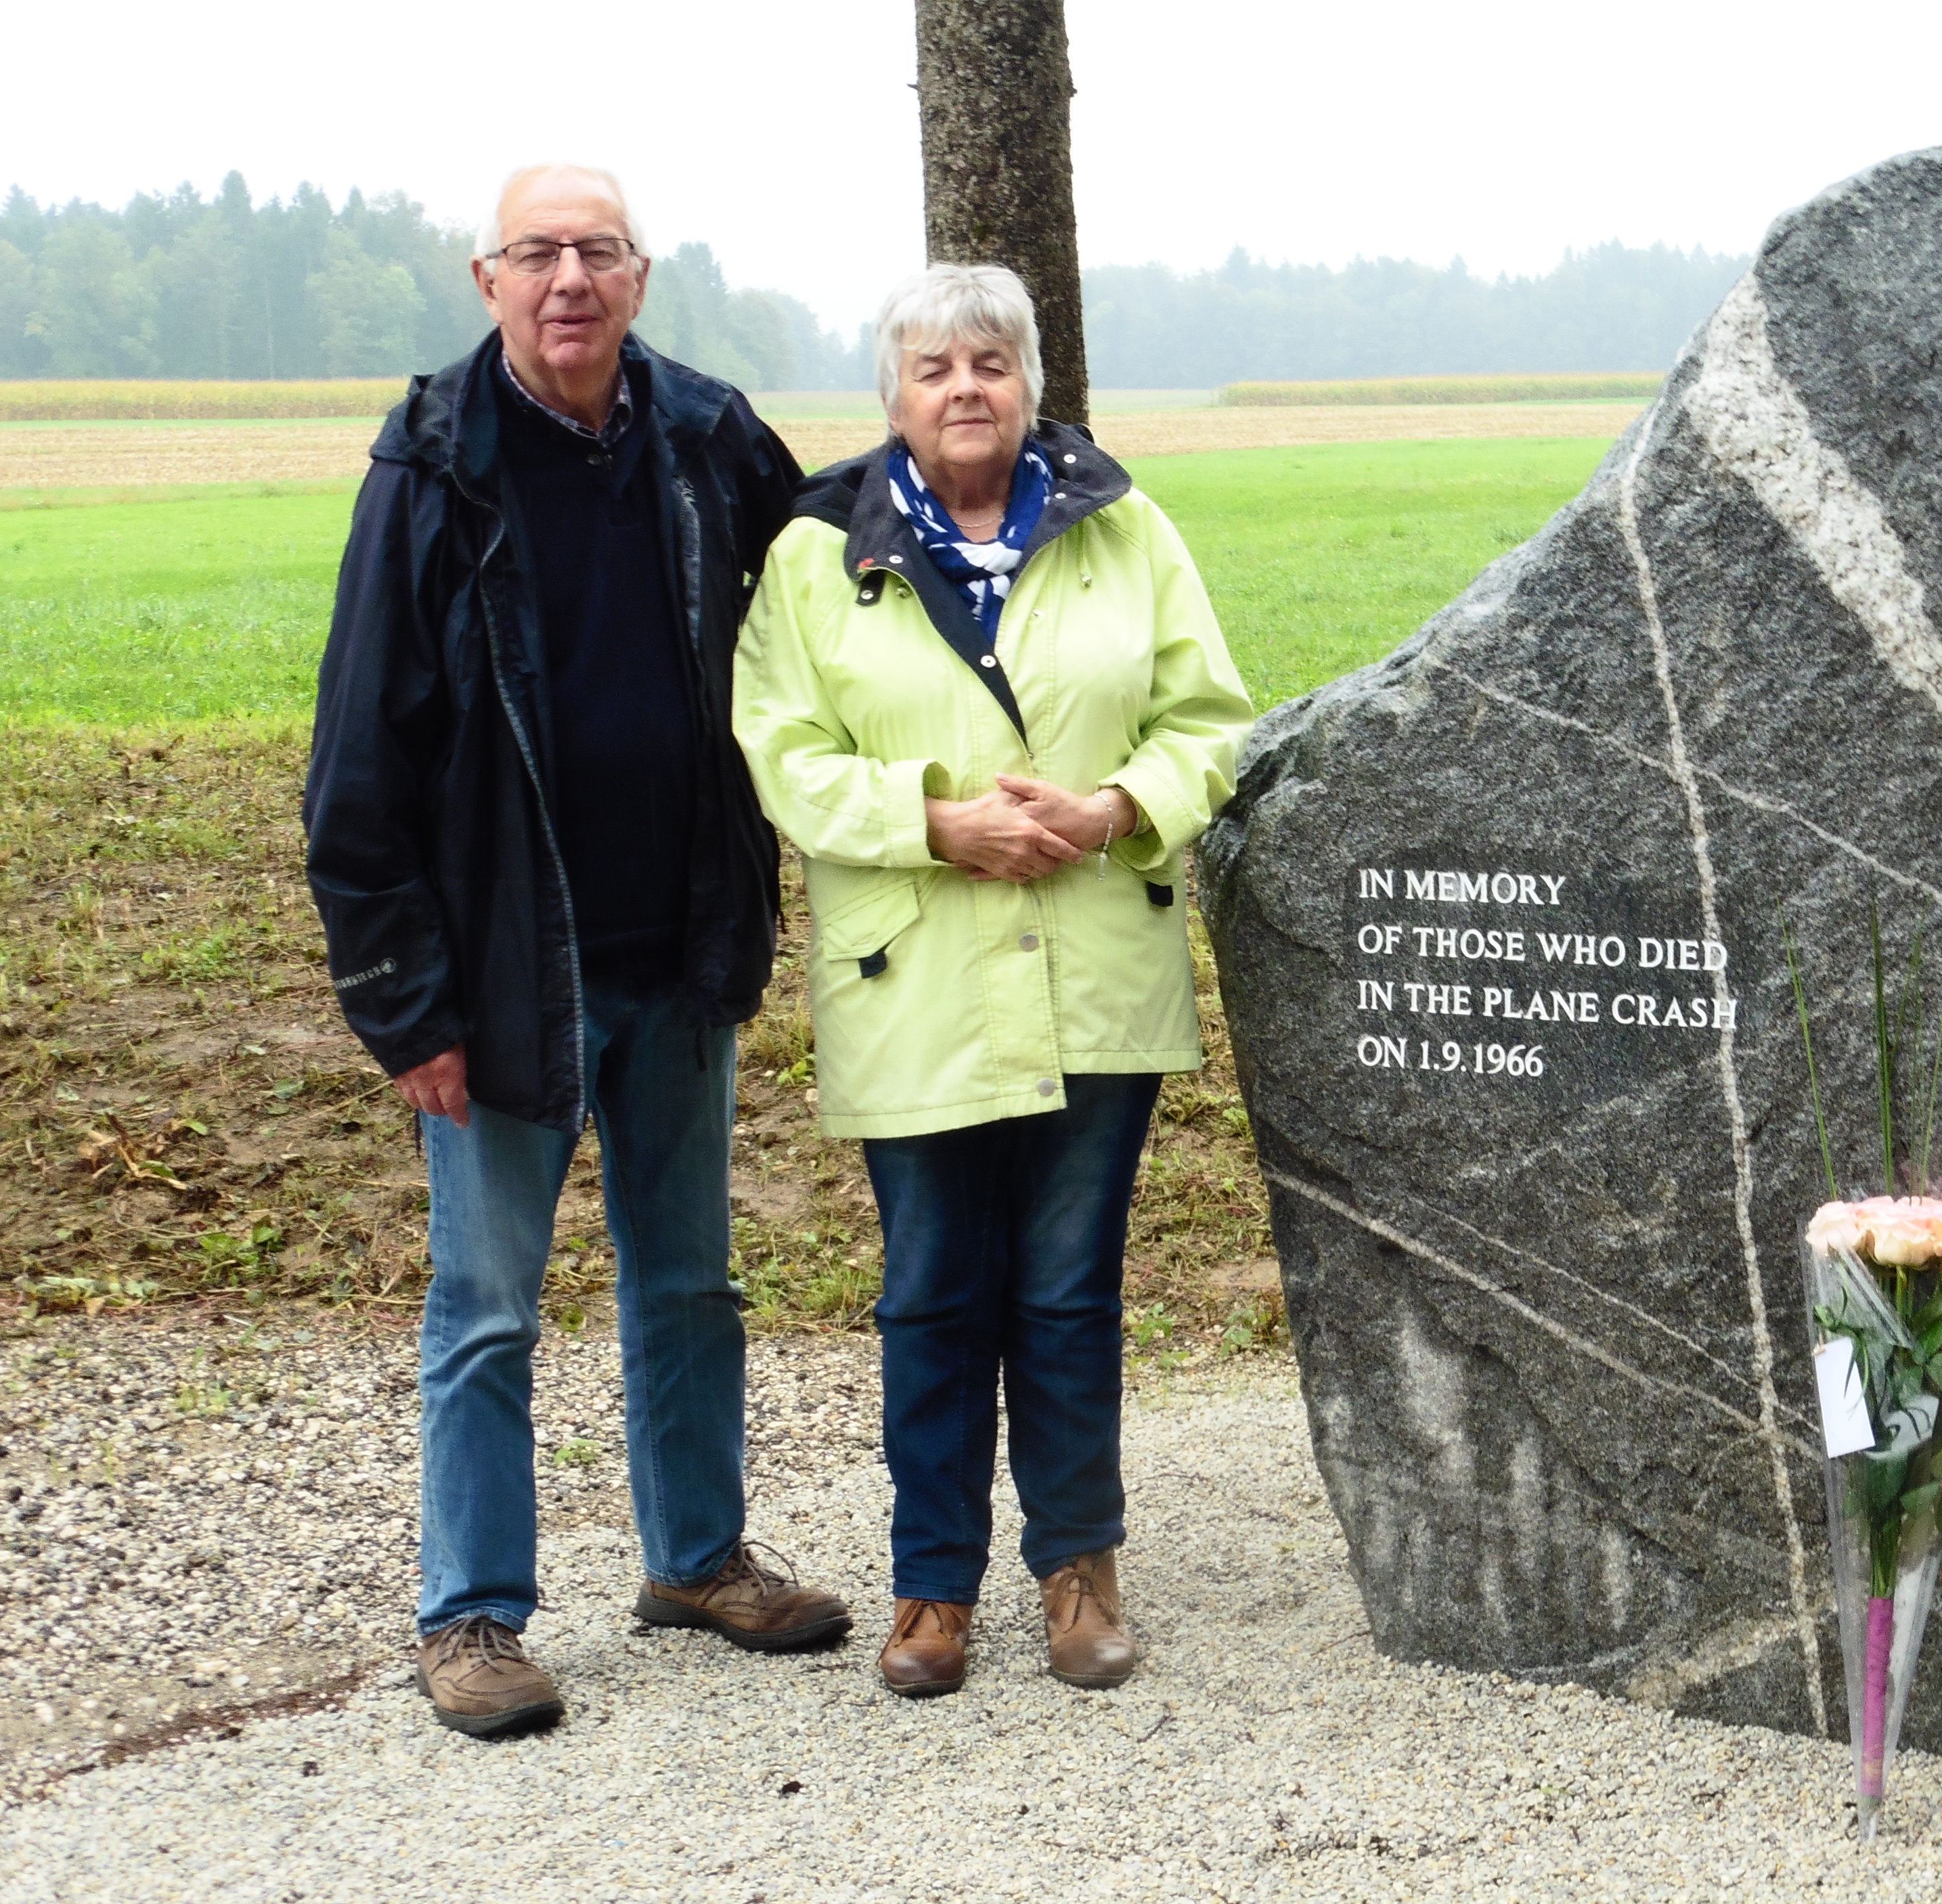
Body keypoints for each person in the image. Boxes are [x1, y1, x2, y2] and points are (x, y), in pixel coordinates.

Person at [304, 162, 849, 1740]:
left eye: (596, 253)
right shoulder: (429, 465)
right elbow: (358, 762)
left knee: (689, 1282)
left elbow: (834, 566)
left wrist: (1010, 464)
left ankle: (695, 1561)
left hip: (679, 950)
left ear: (639, 276)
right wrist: (402, 1001)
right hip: (498, 973)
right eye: (537, 254)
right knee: (487, 1307)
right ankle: (472, 1615)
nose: (568, 281)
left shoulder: (707, 438)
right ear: (487, 281)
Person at [732, 263, 1250, 1698]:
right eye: (932, 366)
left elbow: (1211, 723)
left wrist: (1113, 809)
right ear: (891, 397)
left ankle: (1079, 1572)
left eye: (989, 363)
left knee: (1072, 1290)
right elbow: (783, 751)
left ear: (1030, 384)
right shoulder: (817, 553)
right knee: (933, 1294)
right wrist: (934, 822)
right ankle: (932, 1589)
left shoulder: (1125, 531)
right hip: (919, 981)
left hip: (1093, 970)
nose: (964, 388)